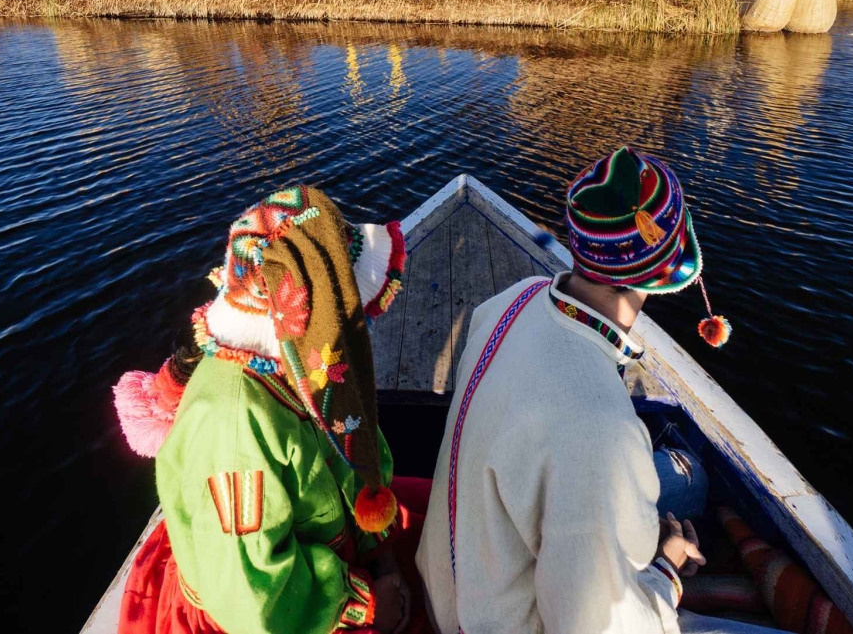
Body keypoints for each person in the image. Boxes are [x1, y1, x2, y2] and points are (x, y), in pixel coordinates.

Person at [416, 147, 752, 634]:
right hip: (482, 623)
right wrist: (665, 572)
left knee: (691, 479)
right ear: (662, 273)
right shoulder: (600, 431)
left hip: (451, 574)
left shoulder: (514, 299)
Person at [111, 186, 426, 634]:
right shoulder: (235, 426)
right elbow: (253, 599)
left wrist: (381, 555)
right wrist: (364, 603)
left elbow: (358, 448)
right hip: (280, 606)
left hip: (325, 551)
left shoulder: (317, 368)